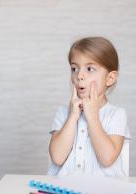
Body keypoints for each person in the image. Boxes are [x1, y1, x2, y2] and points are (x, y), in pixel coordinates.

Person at [48, 37, 131, 177]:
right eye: (74, 68)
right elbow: (57, 157)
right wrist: (72, 117)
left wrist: (92, 116)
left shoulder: (116, 114)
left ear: (109, 78)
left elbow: (107, 159)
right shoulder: (63, 113)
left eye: (90, 69)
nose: (79, 75)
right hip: (66, 188)